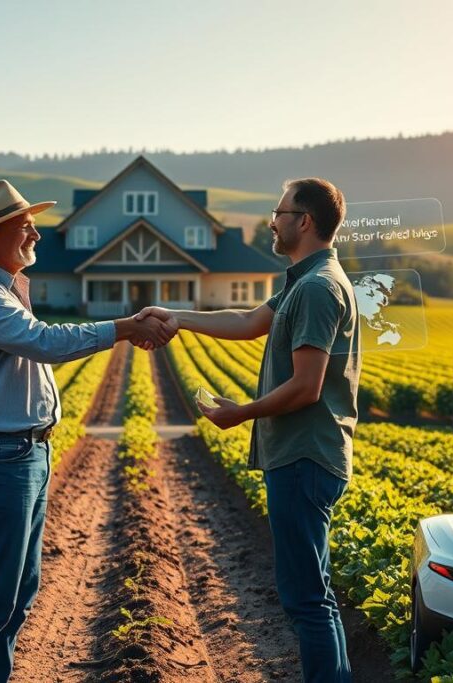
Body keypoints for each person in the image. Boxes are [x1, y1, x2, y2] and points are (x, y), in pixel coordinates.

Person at [0, 179, 176, 683]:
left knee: (18, 597)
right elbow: (44, 343)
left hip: (22, 456)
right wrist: (125, 327)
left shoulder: (4, 288)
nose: (36, 235)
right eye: (25, 226)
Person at [136, 177, 360, 683]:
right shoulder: (305, 282)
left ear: (304, 221)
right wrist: (177, 317)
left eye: (280, 213)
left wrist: (242, 413)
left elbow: (306, 387)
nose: (272, 222)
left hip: (304, 456)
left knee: (306, 599)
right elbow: (247, 320)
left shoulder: (320, 288)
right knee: (313, 593)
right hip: (301, 456)